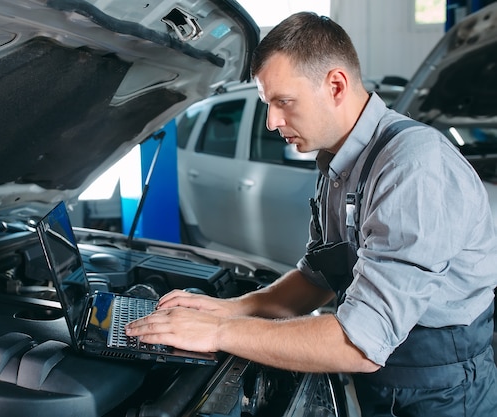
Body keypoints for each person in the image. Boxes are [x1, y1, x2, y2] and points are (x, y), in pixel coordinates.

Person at [126, 11, 497, 416]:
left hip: (445, 394)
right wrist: (233, 307)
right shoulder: (339, 164)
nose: (272, 122)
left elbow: (361, 343)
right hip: (387, 385)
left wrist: (220, 332)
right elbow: (316, 277)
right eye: (268, 105)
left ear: (335, 85)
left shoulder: (412, 168)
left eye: (283, 102)